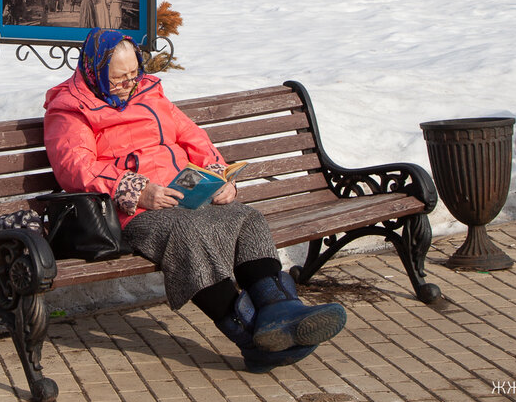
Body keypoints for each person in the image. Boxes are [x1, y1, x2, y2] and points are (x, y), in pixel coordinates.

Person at [44, 31, 346, 371]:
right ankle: (251, 335)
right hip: (131, 210)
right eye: (117, 79)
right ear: (94, 69)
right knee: (189, 234)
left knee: (244, 217)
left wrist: (219, 176)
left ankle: (279, 309)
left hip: (182, 189)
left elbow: (192, 137)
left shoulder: (150, 92)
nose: (128, 84)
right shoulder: (70, 110)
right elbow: (75, 168)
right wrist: (137, 190)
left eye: (133, 75)